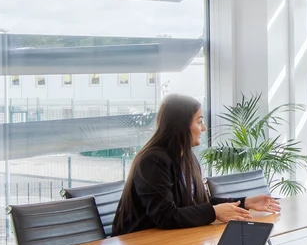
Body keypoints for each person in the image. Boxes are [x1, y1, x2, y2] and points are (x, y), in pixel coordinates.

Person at [111, 94, 279, 236]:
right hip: (140, 244)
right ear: (181, 125)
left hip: (174, 239)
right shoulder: (153, 161)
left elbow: (200, 202)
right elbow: (165, 216)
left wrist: (245, 202)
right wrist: (214, 212)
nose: (204, 128)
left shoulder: (187, 157)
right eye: (199, 121)